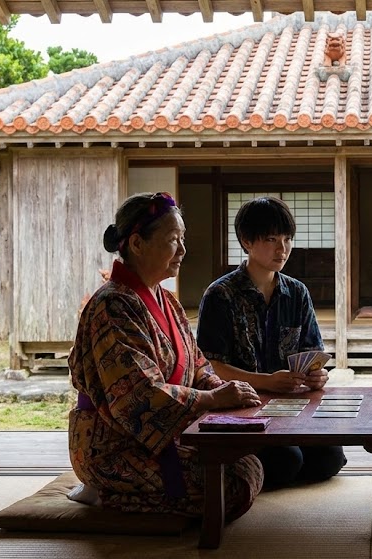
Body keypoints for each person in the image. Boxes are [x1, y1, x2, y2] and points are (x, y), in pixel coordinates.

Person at [68, 191, 264, 520]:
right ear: (136, 243)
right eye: (174, 239)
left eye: (183, 238)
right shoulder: (113, 305)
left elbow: (197, 363)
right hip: (114, 445)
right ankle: (105, 494)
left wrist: (225, 393)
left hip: (164, 433)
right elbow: (138, 394)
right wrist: (213, 400)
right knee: (231, 484)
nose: (183, 250)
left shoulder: (167, 300)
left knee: (248, 462)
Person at [197, 196, 346, 488]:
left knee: (330, 458)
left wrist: (317, 375)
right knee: (287, 461)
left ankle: (265, 471)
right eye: (271, 239)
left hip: (290, 406)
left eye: (287, 238)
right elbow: (213, 367)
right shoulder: (221, 295)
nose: (283, 248)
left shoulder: (297, 292)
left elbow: (311, 353)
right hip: (242, 408)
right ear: (246, 241)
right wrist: (265, 381)